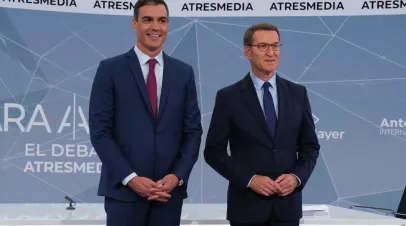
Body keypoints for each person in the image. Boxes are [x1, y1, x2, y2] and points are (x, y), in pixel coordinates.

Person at [88, 0, 203, 225]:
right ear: (134, 24)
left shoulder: (183, 73)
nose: (155, 27)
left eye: (162, 20)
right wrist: (131, 179)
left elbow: (193, 132)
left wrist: (177, 176)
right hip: (124, 195)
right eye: (147, 19)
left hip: (167, 196)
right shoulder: (110, 69)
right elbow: (100, 132)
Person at [204, 22, 320, 226]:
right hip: (246, 210)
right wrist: (249, 179)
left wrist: (296, 178)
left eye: (275, 46)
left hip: (287, 209)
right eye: (263, 46)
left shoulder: (297, 93)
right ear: (248, 52)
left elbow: (310, 147)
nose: (271, 53)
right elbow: (213, 152)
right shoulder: (228, 97)